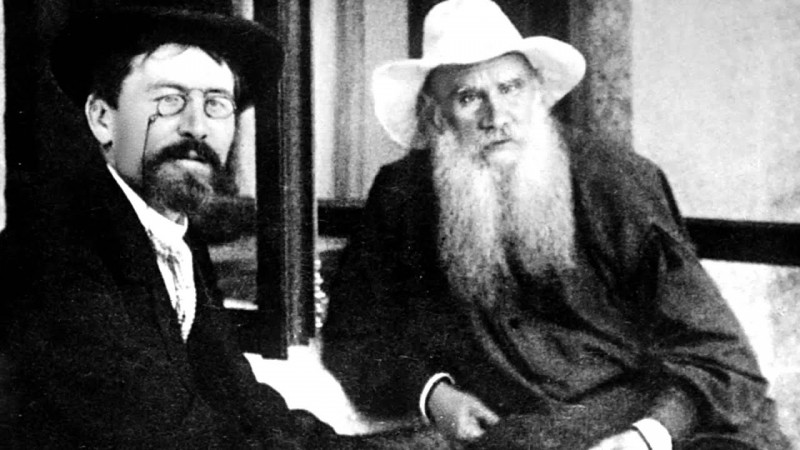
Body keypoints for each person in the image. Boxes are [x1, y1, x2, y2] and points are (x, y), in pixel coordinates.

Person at [321, 0, 790, 449]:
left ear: (539, 94)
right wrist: (434, 395)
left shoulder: (616, 181)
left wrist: (647, 436)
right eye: (468, 97)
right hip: (513, 432)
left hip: (644, 418)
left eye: (510, 88)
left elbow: (719, 354)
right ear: (437, 115)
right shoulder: (402, 195)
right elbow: (353, 336)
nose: (496, 117)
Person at [0, 8, 363, 449]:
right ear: (102, 118)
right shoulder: (51, 248)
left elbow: (241, 400)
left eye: (217, 104)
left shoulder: (178, 238)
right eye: (169, 100)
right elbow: (166, 433)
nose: (197, 127)